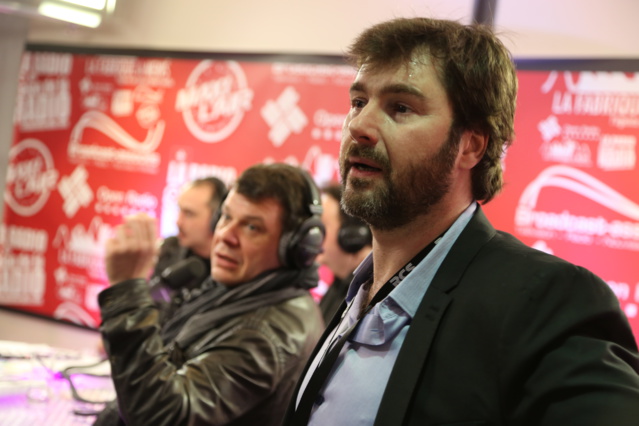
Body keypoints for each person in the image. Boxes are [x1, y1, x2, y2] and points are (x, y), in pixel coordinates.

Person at [283, 17, 639, 426]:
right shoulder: (357, 292)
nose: (359, 126)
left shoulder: (546, 301)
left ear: (470, 146)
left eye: (401, 107)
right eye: (359, 102)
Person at [95, 163, 326, 426]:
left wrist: (127, 288)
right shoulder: (240, 295)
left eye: (252, 227)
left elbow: (164, 416)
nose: (226, 236)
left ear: (295, 248)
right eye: (225, 217)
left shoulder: (268, 334)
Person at [150, 176, 228, 308]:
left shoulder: (229, 269)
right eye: (179, 210)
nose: (178, 222)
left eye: (189, 214)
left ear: (217, 219)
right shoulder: (168, 250)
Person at [316, 183, 371, 324]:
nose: (315, 234)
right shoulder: (338, 285)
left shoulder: (370, 292)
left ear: (350, 235)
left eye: (322, 226)